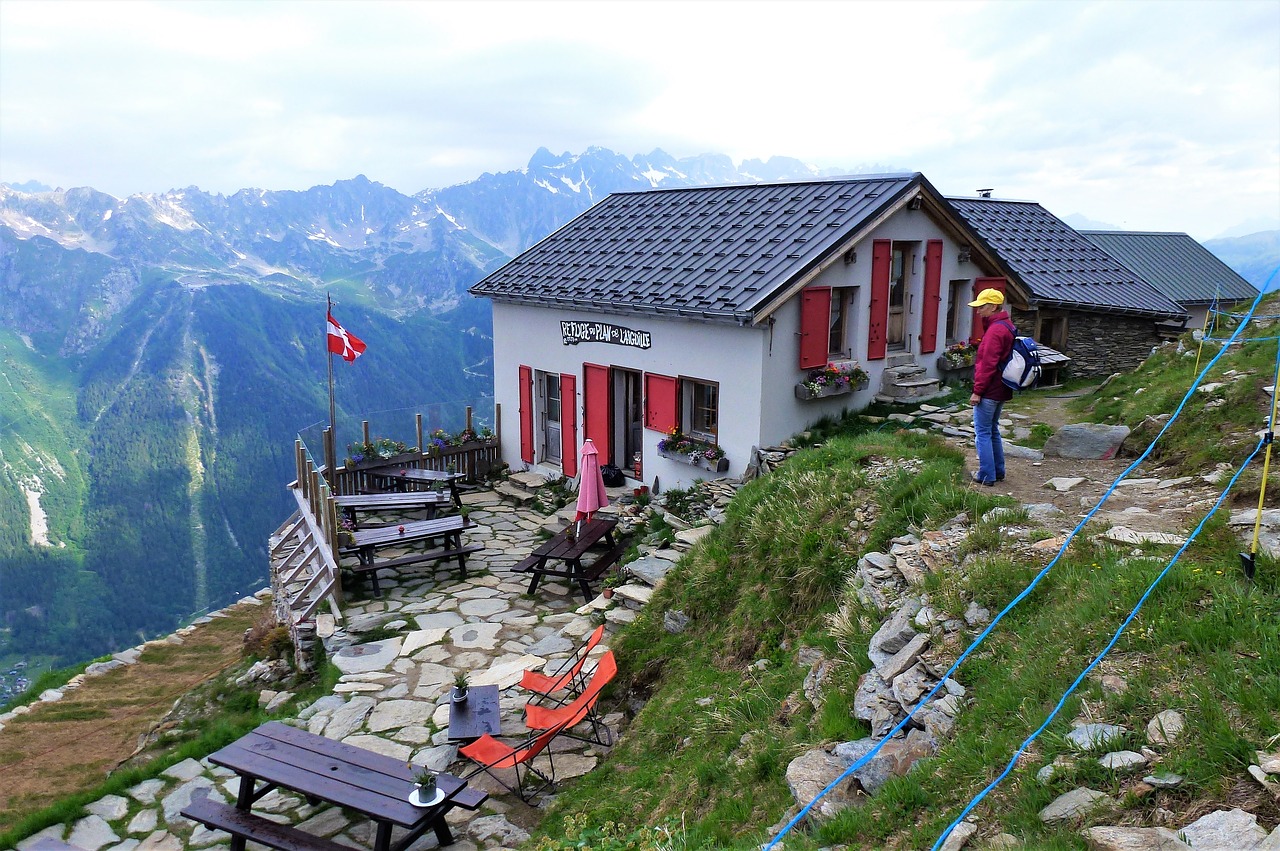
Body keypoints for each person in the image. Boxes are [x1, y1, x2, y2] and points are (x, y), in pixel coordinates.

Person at [968, 288, 1015, 486]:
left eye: (982, 307)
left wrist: (977, 391)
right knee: (992, 429)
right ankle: (998, 470)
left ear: (994, 306)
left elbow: (987, 364)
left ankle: (986, 475)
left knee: (983, 432)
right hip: (1002, 388)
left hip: (990, 390)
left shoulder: (995, 331)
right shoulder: (1007, 326)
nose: (978, 311)